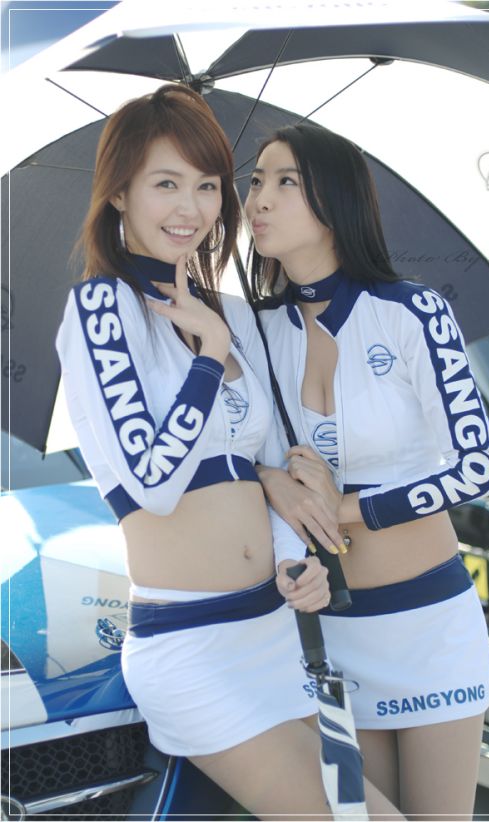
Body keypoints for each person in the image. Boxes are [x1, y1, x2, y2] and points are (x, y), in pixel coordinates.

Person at [56, 85, 404, 820]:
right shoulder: (101, 310)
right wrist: (208, 357)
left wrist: (296, 560)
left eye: (208, 185)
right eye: (166, 184)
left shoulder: (236, 315)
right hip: (193, 651)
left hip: (276, 637)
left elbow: (264, 467)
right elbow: (153, 481)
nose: (191, 207)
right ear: (118, 193)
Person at [245, 122, 489, 820]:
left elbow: (476, 466)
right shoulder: (254, 331)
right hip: (336, 632)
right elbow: (241, 459)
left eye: (285, 181)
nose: (259, 199)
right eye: (255, 181)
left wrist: (349, 509)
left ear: (336, 200)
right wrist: (272, 481)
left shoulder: (413, 312)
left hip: (431, 627)